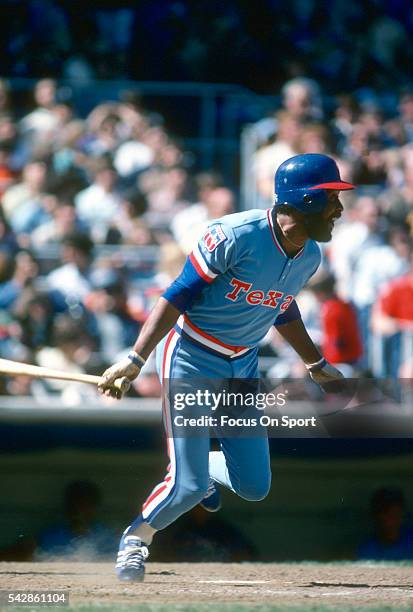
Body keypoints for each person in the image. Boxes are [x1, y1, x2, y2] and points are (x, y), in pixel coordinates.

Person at [98, 153, 355, 582]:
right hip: (191, 357)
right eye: (331, 198)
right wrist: (135, 359)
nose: (338, 209)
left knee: (254, 486)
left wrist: (316, 363)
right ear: (305, 200)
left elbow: (281, 306)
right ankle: (136, 539)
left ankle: (202, 472)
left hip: (242, 364)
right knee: (187, 486)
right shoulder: (236, 234)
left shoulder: (309, 256)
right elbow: (178, 294)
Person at [357, 487, 413, 561]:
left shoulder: (410, 541)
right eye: (389, 515)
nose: (395, 520)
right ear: (376, 517)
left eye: (397, 515)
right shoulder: (367, 550)